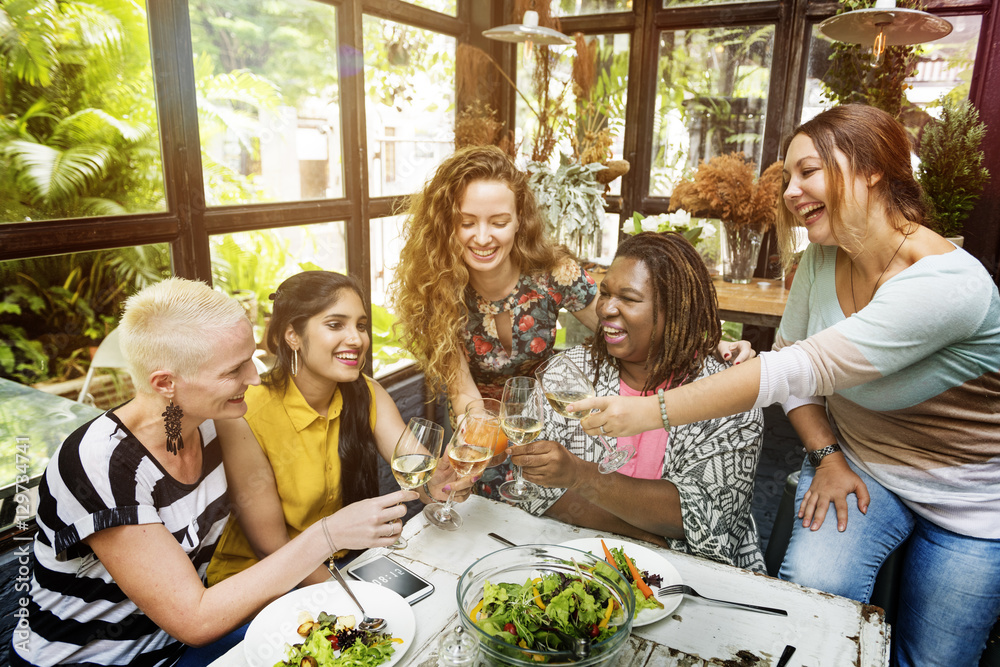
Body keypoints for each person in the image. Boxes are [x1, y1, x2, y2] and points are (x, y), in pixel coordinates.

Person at [568, 105, 1000, 666]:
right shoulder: (821, 259)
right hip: (864, 467)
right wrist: (826, 455)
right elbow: (793, 368)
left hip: (970, 501)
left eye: (809, 171)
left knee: (935, 659)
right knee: (809, 599)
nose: (791, 191)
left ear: (871, 169)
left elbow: (796, 370)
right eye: (789, 176)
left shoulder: (948, 282)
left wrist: (649, 411)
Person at [11, 278, 416, 667]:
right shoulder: (101, 465)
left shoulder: (218, 421)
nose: (254, 378)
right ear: (166, 383)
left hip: (180, 647)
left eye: (251, 360)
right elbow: (196, 619)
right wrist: (329, 533)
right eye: (233, 370)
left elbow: (268, 538)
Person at [390, 144, 753, 423]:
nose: (482, 237)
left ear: (520, 221)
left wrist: (711, 344)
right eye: (467, 222)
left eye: (498, 221)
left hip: (549, 424)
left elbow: (623, 324)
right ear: (446, 224)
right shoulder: (435, 289)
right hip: (480, 429)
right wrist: (484, 439)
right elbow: (464, 396)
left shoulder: (553, 273)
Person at [511, 231, 765, 571]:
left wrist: (580, 476)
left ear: (675, 312)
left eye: (628, 298)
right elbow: (538, 490)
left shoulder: (727, 396)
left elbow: (702, 519)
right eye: (604, 293)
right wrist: (640, 533)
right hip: (573, 562)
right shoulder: (569, 374)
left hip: (689, 579)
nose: (605, 308)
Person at [206, 271, 467, 587]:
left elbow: (419, 473)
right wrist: (350, 599)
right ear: (293, 335)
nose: (357, 339)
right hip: (257, 586)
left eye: (360, 325)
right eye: (335, 325)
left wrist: (439, 486)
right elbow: (270, 546)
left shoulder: (366, 393)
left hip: (340, 567)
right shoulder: (245, 412)